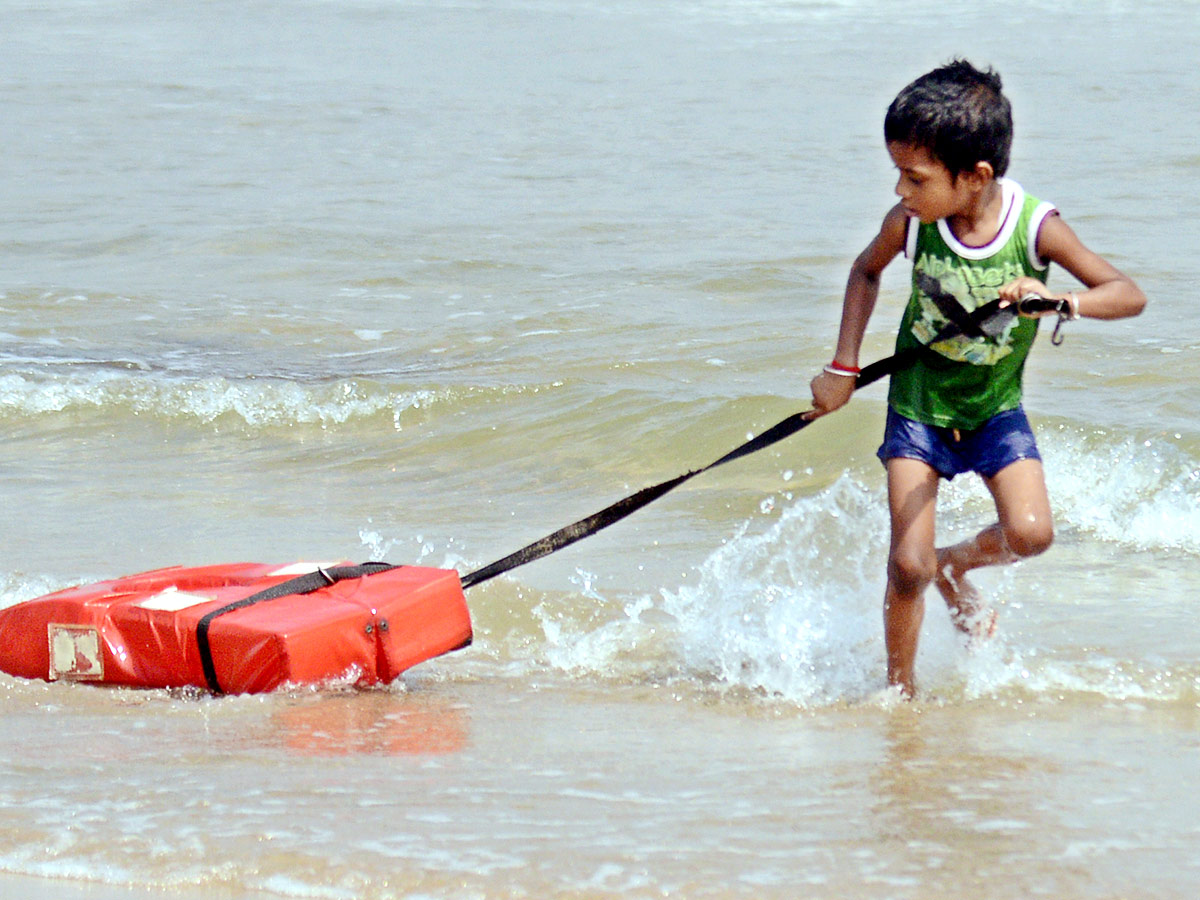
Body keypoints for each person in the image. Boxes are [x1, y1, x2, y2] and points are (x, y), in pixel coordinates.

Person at [807, 59, 1146, 698]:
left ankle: (957, 567)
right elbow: (865, 271)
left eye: (916, 176)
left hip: (995, 409)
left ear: (976, 177)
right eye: (898, 174)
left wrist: (1058, 301)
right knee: (906, 564)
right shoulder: (911, 223)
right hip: (919, 406)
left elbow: (1126, 294)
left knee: (1032, 534)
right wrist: (842, 368)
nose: (901, 190)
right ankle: (899, 697)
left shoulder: (1035, 227)